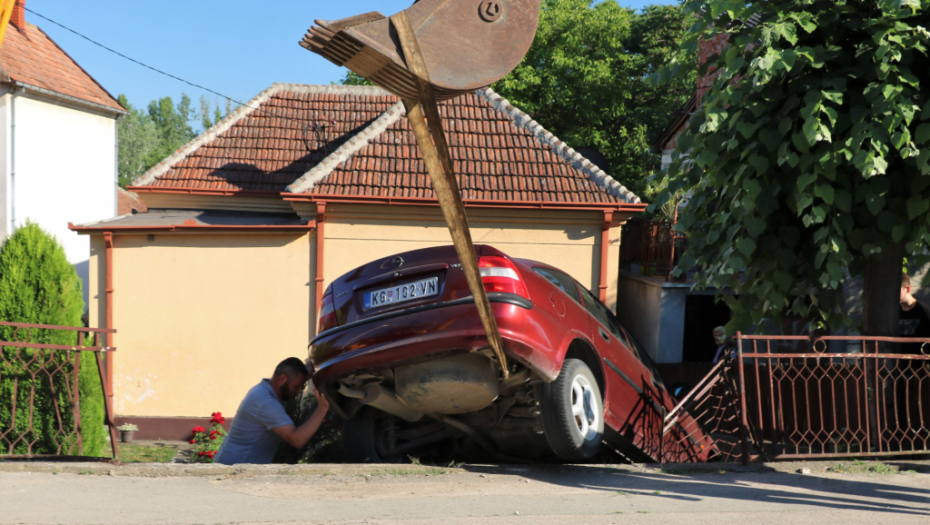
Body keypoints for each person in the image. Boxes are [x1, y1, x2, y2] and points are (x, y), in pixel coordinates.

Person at [214, 357, 329, 465]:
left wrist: (315, 363)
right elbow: (297, 439)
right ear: (282, 379)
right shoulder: (266, 402)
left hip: (235, 465)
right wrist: (322, 408)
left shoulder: (266, 391)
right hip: (233, 472)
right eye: (296, 386)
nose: (298, 391)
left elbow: (297, 377)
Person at [899, 272, 930, 355]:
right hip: (898, 363)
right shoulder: (894, 312)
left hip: (919, 363)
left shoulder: (924, 311)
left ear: (908, 289)